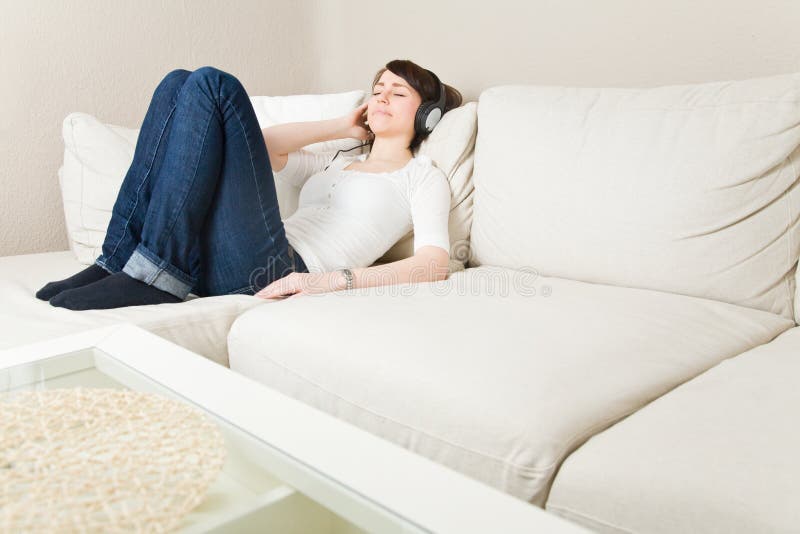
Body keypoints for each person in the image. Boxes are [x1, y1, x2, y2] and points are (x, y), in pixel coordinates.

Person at [36, 59, 463, 310]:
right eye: (377, 89)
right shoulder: (336, 162)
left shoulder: (421, 178)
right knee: (177, 84)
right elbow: (259, 149)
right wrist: (340, 126)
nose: (381, 98)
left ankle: (155, 278)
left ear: (427, 115)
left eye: (398, 93)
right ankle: (118, 261)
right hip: (232, 256)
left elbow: (433, 264)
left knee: (212, 85)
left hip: (276, 270)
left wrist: (324, 282)